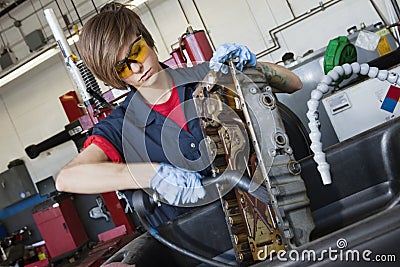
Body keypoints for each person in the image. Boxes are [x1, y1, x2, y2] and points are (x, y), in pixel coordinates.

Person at [55, 2, 302, 227]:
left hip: (274, 217)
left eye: (137, 51)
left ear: (149, 41)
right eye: (122, 67)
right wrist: (152, 175)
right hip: (203, 248)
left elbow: (293, 83)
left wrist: (251, 67)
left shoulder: (209, 76)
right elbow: (67, 178)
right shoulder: (121, 127)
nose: (136, 68)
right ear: (114, 76)